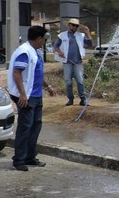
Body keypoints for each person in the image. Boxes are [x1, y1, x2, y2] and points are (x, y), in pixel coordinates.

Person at [7, 25, 57, 171]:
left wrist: (47, 86)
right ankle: (19, 160)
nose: (45, 42)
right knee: (25, 127)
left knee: (36, 126)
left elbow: (37, 73)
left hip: (36, 95)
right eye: (44, 39)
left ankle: (30, 157)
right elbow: (17, 73)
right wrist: (22, 94)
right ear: (39, 38)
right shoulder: (24, 52)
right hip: (26, 96)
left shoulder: (35, 51)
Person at [53, 18, 92, 106]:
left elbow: (90, 44)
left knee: (80, 81)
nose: (75, 27)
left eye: (76, 26)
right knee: (68, 81)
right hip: (67, 61)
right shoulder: (61, 36)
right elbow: (55, 46)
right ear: (69, 25)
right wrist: (60, 53)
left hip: (78, 62)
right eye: (73, 25)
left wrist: (87, 33)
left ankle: (83, 99)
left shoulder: (81, 35)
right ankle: (70, 99)